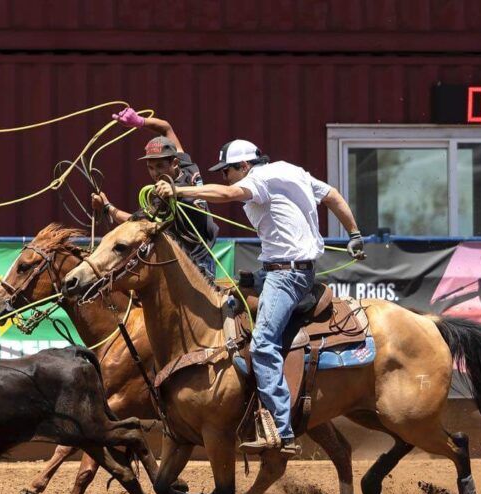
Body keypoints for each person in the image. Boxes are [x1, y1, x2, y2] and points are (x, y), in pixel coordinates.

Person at [154, 139, 366, 455]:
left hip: (286, 276)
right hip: (279, 270)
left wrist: (180, 191)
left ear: (244, 166)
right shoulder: (293, 171)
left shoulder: (259, 179)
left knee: (263, 343)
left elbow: (228, 194)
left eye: (227, 170)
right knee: (227, 303)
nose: (225, 176)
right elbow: (333, 195)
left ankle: (281, 429)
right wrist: (354, 234)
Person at [92, 108, 219, 278]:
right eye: (150, 167)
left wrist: (107, 207)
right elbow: (166, 128)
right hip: (193, 257)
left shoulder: (163, 198)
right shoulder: (187, 167)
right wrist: (140, 122)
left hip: (194, 263)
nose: (155, 173)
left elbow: (135, 223)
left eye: (160, 166)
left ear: (173, 163)